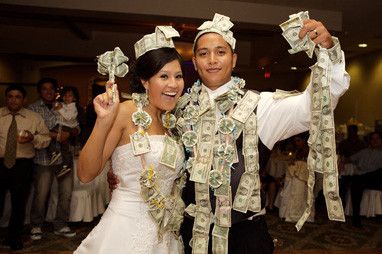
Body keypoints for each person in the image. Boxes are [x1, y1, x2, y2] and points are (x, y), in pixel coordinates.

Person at [108, 13, 350, 254]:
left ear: (233, 59)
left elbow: (317, 105)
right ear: (194, 61)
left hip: (244, 237)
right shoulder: (175, 108)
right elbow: (149, 149)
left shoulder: (262, 106)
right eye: (203, 53)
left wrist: (328, 52)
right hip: (189, 234)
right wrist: (121, 174)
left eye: (220, 52)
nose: (212, 60)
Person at [75, 26, 186, 254]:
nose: (173, 85)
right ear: (145, 81)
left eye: (178, 76)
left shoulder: (173, 123)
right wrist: (103, 122)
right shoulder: (126, 111)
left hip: (165, 233)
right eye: (163, 76)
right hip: (124, 230)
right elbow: (86, 173)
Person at [0, 84, 50, 250]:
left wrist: (33, 138)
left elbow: (46, 138)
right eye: (10, 96)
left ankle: (14, 238)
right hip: (0, 164)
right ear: (6, 98)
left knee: (19, 203)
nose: (13, 100)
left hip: (22, 165)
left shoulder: (33, 117)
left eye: (18, 97)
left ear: (24, 99)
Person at [29, 78, 77, 240]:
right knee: (41, 194)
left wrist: (69, 133)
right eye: (44, 89)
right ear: (39, 91)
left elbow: (76, 126)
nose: (48, 92)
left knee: (66, 193)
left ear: (56, 91)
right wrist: (55, 135)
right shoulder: (33, 109)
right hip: (44, 159)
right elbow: (32, 132)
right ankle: (36, 225)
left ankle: (61, 224)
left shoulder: (65, 105)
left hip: (64, 158)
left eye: (51, 89)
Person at [349, 131, 382, 228]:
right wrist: (342, 162)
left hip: (377, 179)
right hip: (362, 179)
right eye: (373, 139)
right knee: (356, 182)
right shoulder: (364, 151)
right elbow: (349, 159)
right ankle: (356, 217)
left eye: (377, 138)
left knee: (377, 172)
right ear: (370, 141)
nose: (375, 141)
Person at [48, 86, 83, 177]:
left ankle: (66, 165)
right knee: (52, 138)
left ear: (74, 98)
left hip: (67, 127)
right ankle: (55, 154)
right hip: (60, 126)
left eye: (70, 96)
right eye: (65, 95)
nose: (67, 97)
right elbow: (56, 114)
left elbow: (68, 117)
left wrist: (59, 108)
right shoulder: (62, 104)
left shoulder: (73, 107)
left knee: (65, 147)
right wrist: (55, 108)